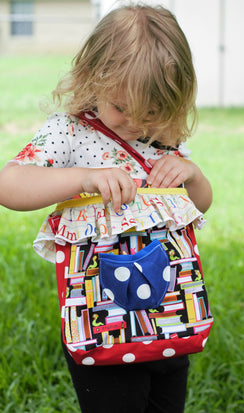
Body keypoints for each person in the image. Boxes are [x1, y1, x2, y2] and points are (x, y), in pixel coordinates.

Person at [0, 3, 212, 413]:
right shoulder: (71, 131)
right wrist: (83, 177)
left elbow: (198, 207)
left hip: (171, 311)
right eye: (120, 108)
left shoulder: (163, 138)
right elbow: (9, 186)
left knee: (168, 404)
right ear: (92, 77)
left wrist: (193, 175)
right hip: (102, 319)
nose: (135, 124)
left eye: (150, 112)